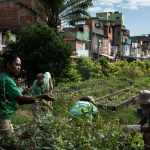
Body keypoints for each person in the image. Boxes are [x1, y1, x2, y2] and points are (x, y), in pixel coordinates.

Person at [0, 53, 55, 135]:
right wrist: (43, 96)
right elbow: (21, 100)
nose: (19, 68)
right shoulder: (7, 80)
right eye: (17, 64)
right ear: (8, 64)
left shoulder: (2, 76)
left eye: (20, 65)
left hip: (5, 116)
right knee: (10, 143)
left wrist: (51, 87)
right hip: (2, 117)